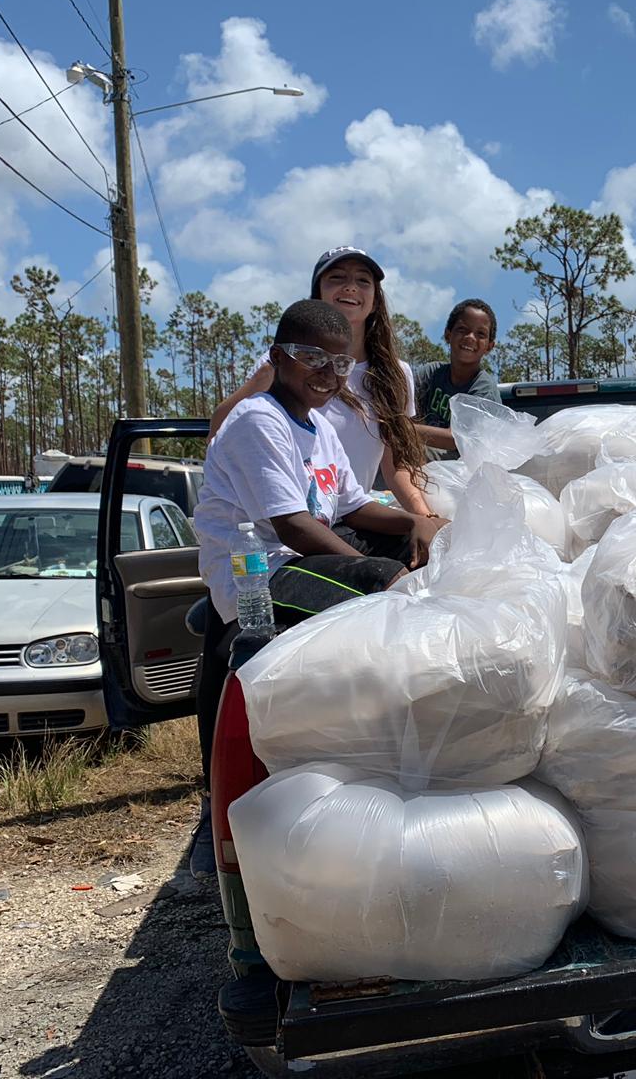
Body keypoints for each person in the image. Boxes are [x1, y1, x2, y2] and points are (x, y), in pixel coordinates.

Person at [186, 299, 441, 875]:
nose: (327, 376)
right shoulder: (258, 420)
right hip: (258, 574)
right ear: (278, 358)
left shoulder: (320, 426)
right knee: (387, 581)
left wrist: (422, 523)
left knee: (414, 553)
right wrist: (377, 578)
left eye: (339, 366)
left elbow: (354, 503)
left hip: (295, 558)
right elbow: (293, 527)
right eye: (312, 361)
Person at [210, 246, 441, 521]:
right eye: (337, 278)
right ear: (317, 293)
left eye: (363, 281)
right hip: (287, 529)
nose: (351, 288)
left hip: (354, 521)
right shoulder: (283, 362)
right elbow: (221, 433)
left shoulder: (396, 374)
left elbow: (397, 467)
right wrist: (258, 382)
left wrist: (427, 520)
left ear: (376, 300)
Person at [411, 298, 503, 456]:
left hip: (462, 472)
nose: (470, 337)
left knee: (408, 452)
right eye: (462, 329)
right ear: (448, 335)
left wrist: (403, 429)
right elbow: (402, 411)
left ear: (489, 346)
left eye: (480, 334)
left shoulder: (483, 388)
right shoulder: (430, 373)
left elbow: (456, 439)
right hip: (424, 462)